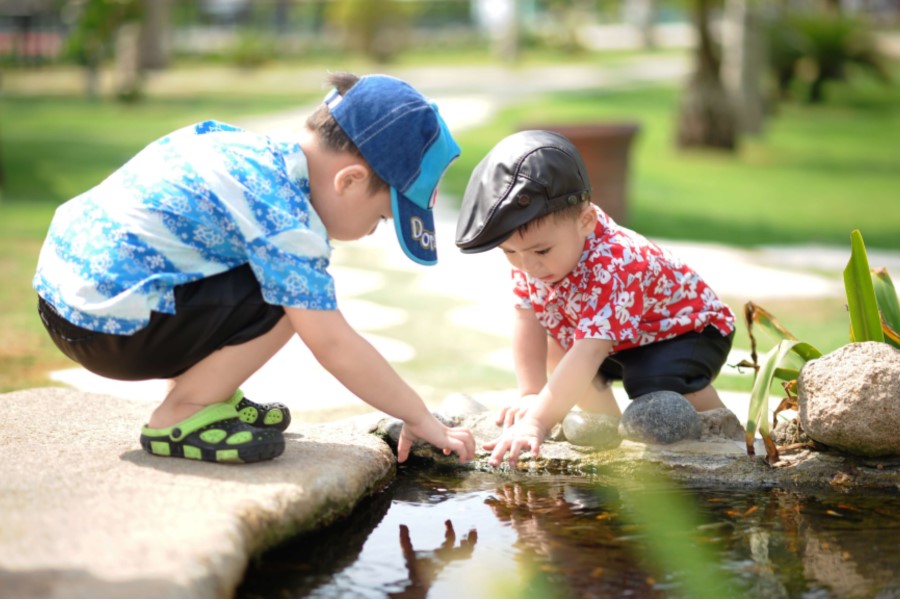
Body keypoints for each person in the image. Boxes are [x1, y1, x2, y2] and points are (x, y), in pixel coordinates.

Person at [34, 72, 476, 465]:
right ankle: (183, 413)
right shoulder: (284, 216)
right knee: (294, 301)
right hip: (108, 329)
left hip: (66, 300)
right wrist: (418, 416)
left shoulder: (245, 150)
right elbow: (333, 345)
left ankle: (210, 394)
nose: (370, 232)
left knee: (271, 277)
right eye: (381, 219)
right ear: (350, 180)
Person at [455, 130, 735, 467]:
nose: (528, 265)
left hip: (687, 332)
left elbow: (590, 351)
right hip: (621, 338)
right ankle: (609, 435)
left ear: (585, 221)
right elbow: (526, 319)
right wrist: (531, 393)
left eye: (541, 250)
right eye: (509, 252)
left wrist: (536, 422)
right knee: (559, 349)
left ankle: (722, 432)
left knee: (652, 382)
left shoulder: (616, 262)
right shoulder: (532, 258)